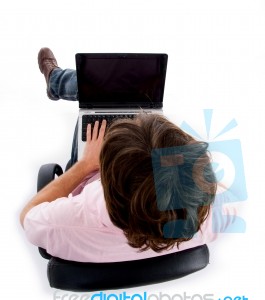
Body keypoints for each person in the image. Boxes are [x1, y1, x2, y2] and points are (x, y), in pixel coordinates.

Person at [20, 48, 219, 263]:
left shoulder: (73, 218)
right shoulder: (209, 217)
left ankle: (57, 82)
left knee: (98, 88)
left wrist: (86, 165)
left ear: (108, 185)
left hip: (88, 174)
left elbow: (28, 215)